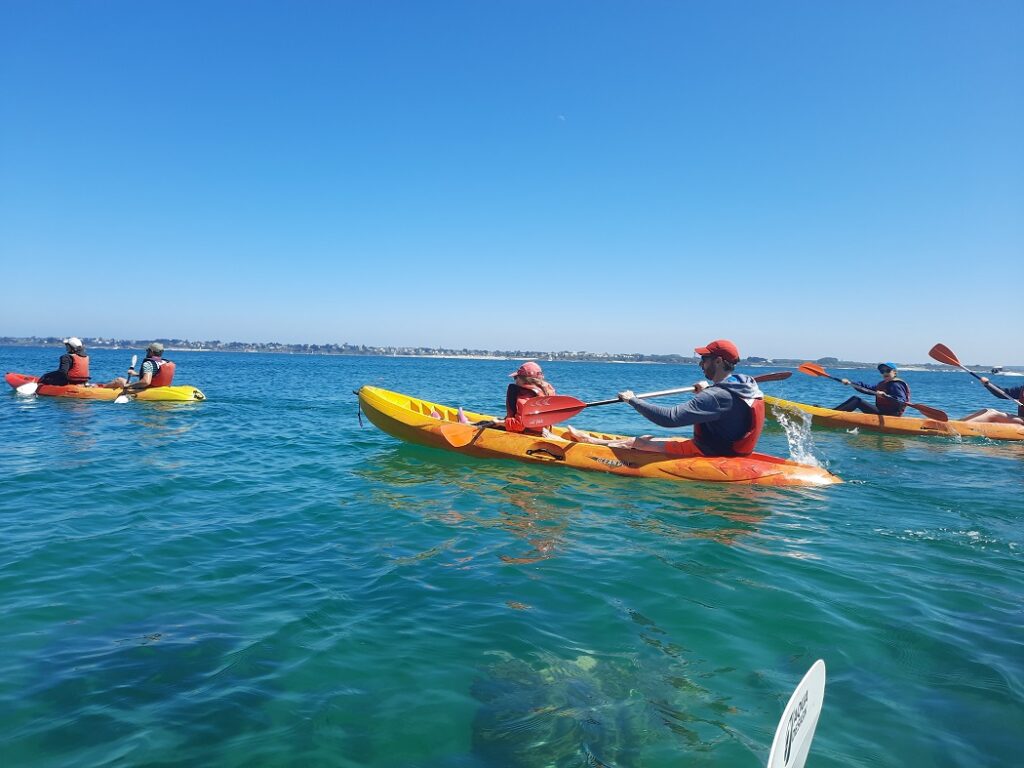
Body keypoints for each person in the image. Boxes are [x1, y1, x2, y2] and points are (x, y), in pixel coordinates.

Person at [565, 339, 765, 457]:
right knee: (645, 439)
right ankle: (589, 439)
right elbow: (723, 405)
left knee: (640, 443)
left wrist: (632, 400)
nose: (701, 365)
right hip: (727, 449)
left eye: (704, 360)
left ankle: (586, 441)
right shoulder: (746, 384)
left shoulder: (716, 396)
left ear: (719, 361)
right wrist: (706, 390)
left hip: (709, 452)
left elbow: (669, 418)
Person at [831, 362, 909, 416]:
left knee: (857, 400)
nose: (885, 373)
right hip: (881, 412)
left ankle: (832, 414)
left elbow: (901, 401)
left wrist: (885, 395)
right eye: (882, 371)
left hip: (890, 414)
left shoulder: (896, 384)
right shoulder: (883, 384)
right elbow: (867, 388)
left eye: (888, 370)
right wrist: (851, 383)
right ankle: (833, 412)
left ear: (895, 372)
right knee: (856, 399)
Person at [504, 361, 556, 435]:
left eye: (516, 377)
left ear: (523, 380)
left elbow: (519, 425)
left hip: (527, 434)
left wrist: (499, 422)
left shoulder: (524, 399)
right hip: (542, 431)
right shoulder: (548, 391)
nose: (515, 380)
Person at [105, 342, 176, 392]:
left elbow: (146, 382)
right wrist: (135, 374)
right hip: (162, 388)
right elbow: (155, 374)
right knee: (126, 381)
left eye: (147, 350)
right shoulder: (165, 362)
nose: (146, 352)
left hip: (149, 389)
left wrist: (128, 386)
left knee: (119, 380)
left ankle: (101, 389)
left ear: (151, 351)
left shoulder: (148, 364)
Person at [959, 377, 1024, 424]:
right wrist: (988, 384)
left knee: (993, 415)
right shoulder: (1022, 389)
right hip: (1021, 419)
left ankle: (960, 427)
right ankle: (956, 423)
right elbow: (1002, 394)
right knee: (987, 410)